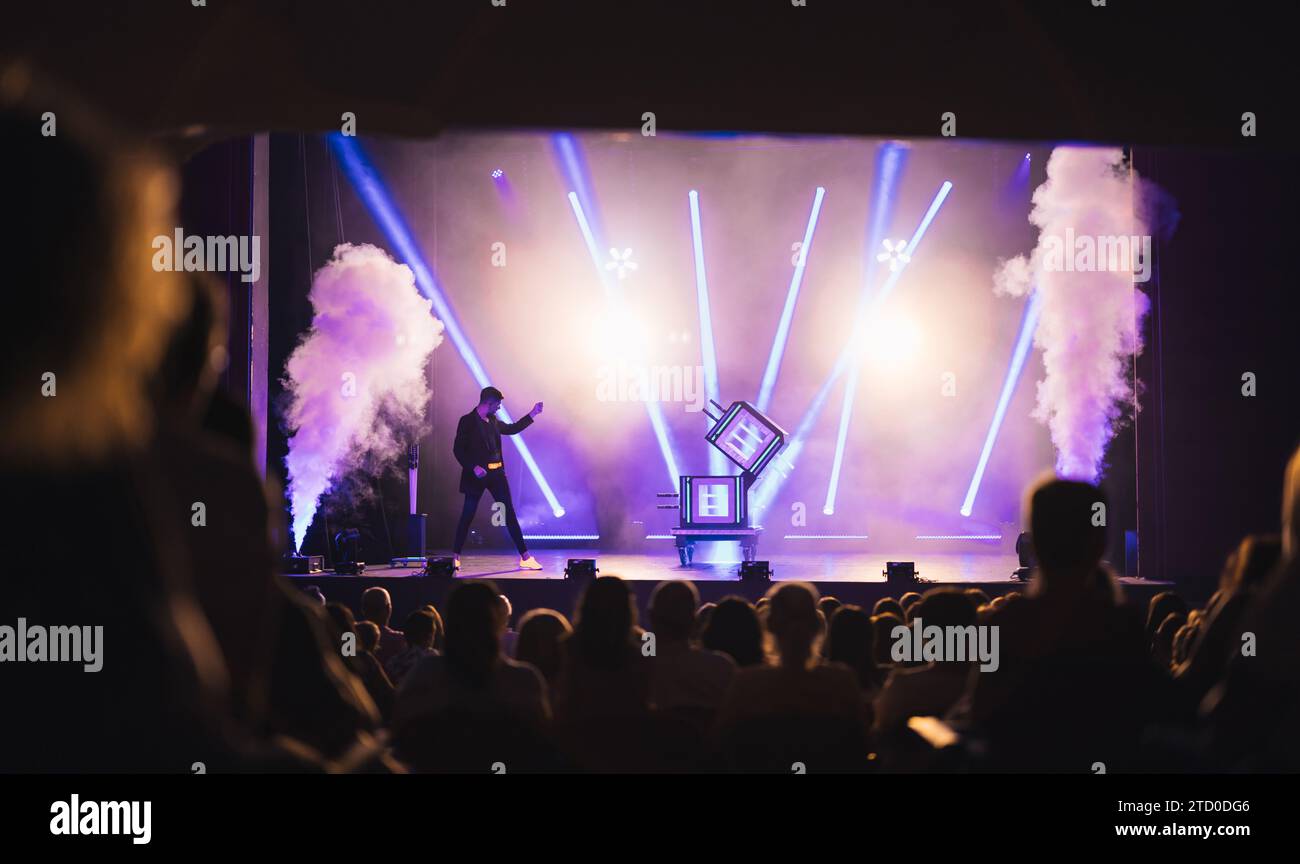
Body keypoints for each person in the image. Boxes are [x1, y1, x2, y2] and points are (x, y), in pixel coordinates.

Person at [451, 386, 544, 571]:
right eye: (498, 404)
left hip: (497, 476)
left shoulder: (493, 421)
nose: (500, 407)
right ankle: (455, 556)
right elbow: (458, 450)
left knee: (509, 514)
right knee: (467, 515)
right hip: (475, 477)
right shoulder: (467, 421)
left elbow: (512, 429)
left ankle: (525, 557)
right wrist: (473, 467)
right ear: (488, 403)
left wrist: (532, 413)